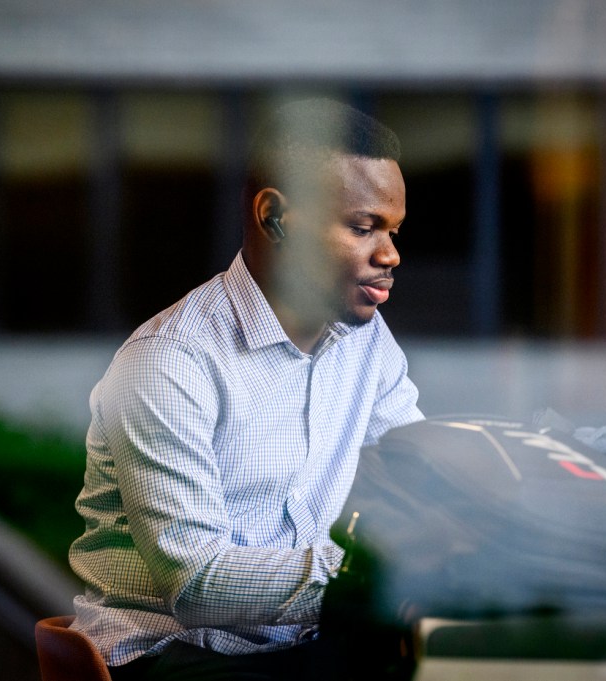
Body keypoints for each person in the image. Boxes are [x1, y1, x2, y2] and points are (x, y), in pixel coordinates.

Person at [68, 98, 424, 680]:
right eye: (363, 228)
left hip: (299, 648)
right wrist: (371, 576)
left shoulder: (368, 345)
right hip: (171, 657)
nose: (390, 255)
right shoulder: (167, 363)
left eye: (393, 230)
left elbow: (420, 469)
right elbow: (198, 582)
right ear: (275, 218)